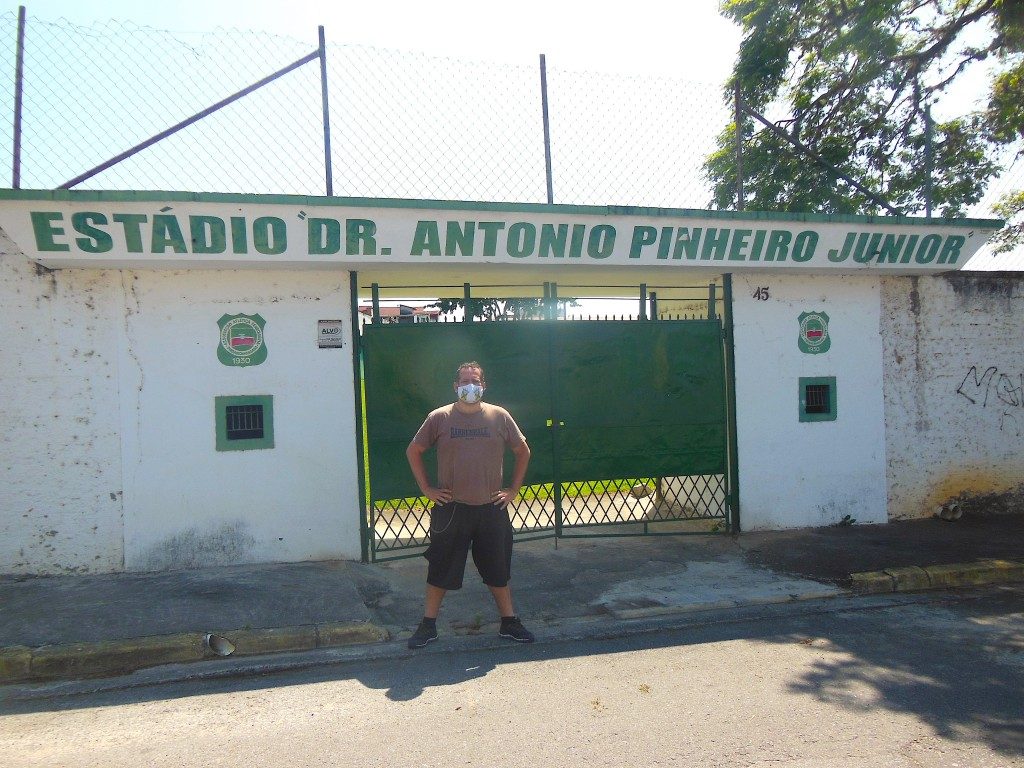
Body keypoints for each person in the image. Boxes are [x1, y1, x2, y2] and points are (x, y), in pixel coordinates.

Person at [405, 360, 533, 648]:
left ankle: (509, 622)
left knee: (497, 569)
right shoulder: (439, 417)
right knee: (440, 568)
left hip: (491, 508)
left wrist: (513, 490)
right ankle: (428, 626)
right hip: (451, 509)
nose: (470, 387)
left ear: (484, 385)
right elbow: (414, 450)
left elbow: (523, 450)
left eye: (475, 381)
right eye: (464, 382)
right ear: (455, 386)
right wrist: (427, 488)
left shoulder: (499, 416)